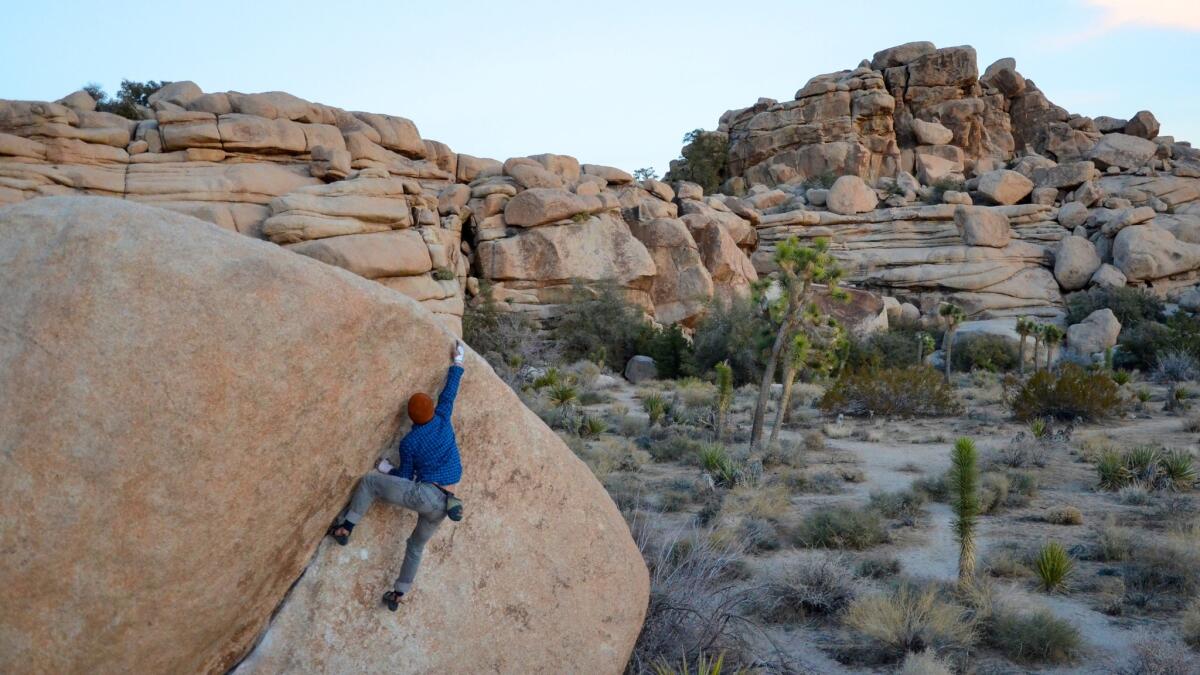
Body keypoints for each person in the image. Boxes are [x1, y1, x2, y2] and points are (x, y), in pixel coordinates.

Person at [328, 340, 466, 611]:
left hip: (424, 495)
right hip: (447, 503)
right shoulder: (443, 418)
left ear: (411, 417)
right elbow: (450, 393)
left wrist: (385, 470)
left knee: (369, 482)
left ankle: (346, 527)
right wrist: (458, 361)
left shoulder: (410, 442)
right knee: (415, 547)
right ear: (432, 411)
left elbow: (405, 477)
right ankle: (399, 593)